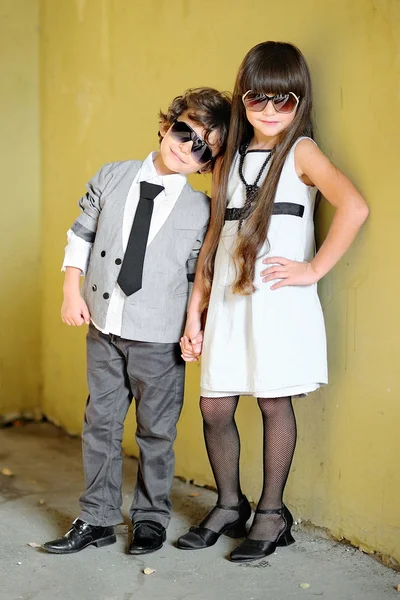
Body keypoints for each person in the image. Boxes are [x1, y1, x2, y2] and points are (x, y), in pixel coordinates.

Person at [177, 42, 369, 563]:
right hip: (227, 300)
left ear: (298, 101)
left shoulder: (301, 151)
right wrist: (194, 314)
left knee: (270, 401)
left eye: (282, 100)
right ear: (243, 99)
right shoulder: (229, 159)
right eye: (257, 98)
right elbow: (214, 239)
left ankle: (270, 513)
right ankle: (228, 504)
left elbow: (353, 206)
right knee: (215, 405)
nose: (269, 111)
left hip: (279, 304)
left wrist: (312, 269)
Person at [42, 87, 231, 556]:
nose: (188, 146)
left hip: (160, 337)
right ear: (168, 124)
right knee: (100, 423)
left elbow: (197, 278)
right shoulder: (113, 177)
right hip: (105, 323)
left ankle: (150, 518)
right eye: (185, 131)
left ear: (208, 164)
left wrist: (195, 326)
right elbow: (80, 235)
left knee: (157, 431)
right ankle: (97, 517)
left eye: (203, 147)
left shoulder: (201, 210)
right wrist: (71, 290)